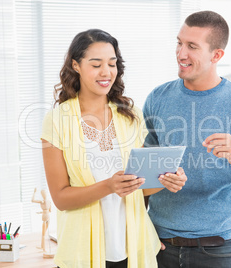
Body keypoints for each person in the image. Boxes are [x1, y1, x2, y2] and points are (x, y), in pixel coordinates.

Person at [41, 29, 186, 268]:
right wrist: (108, 186)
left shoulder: (130, 115)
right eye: (96, 64)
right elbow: (61, 198)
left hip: (135, 249)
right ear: (76, 65)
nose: (106, 72)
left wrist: (166, 181)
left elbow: (139, 187)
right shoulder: (57, 120)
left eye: (112, 63)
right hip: (82, 253)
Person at [143, 11, 231, 268]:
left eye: (192, 46)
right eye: (179, 43)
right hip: (157, 247)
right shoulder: (157, 98)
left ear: (216, 55)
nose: (181, 53)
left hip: (217, 252)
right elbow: (141, 179)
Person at [31, 188, 52, 256]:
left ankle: (44, 248)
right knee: (44, 233)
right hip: (48, 216)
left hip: (44, 217)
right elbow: (49, 211)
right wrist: (41, 212)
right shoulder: (49, 201)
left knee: (43, 234)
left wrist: (34, 192)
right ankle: (42, 247)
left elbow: (32, 200)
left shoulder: (42, 201)